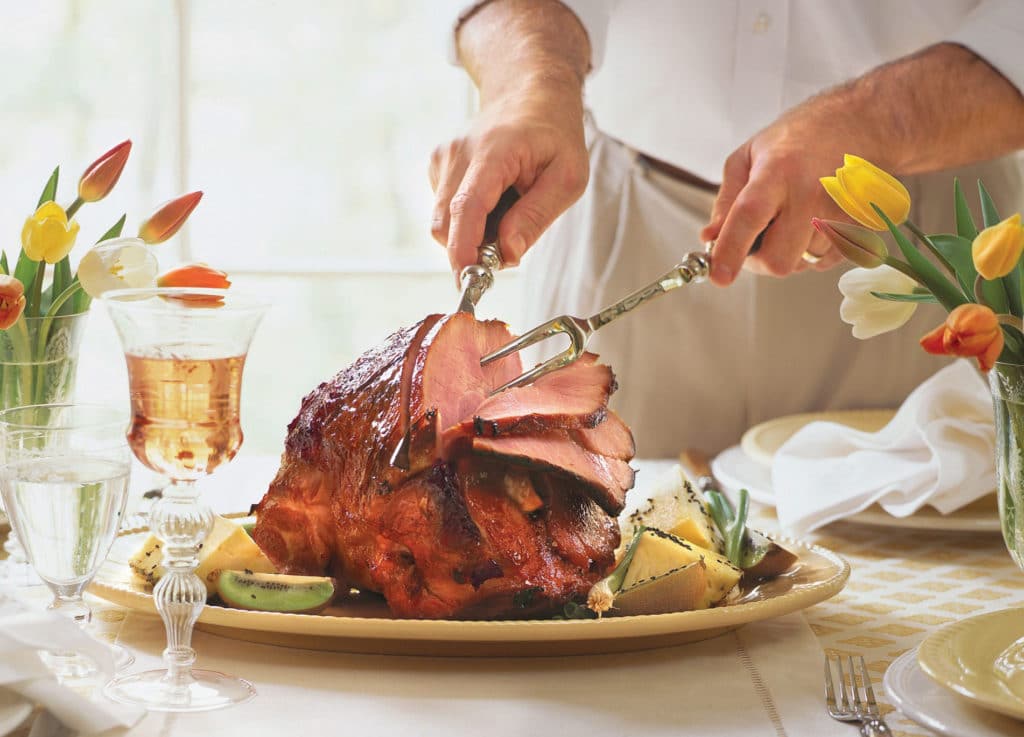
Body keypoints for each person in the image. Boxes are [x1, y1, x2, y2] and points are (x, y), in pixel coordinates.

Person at [429, 0, 1024, 456]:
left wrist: (882, 117)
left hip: (928, 245)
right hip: (626, 215)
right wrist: (530, 79)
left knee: (934, 588)